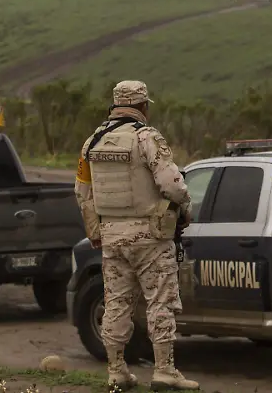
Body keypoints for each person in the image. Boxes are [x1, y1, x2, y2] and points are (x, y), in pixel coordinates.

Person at [74, 80, 198, 390]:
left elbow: (81, 192)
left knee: (116, 302)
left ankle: (117, 370)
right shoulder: (147, 137)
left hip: (112, 237)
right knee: (160, 302)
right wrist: (185, 205)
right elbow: (171, 184)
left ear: (115, 106)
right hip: (150, 237)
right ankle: (164, 370)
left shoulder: (92, 142)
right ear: (143, 106)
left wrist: (95, 231)